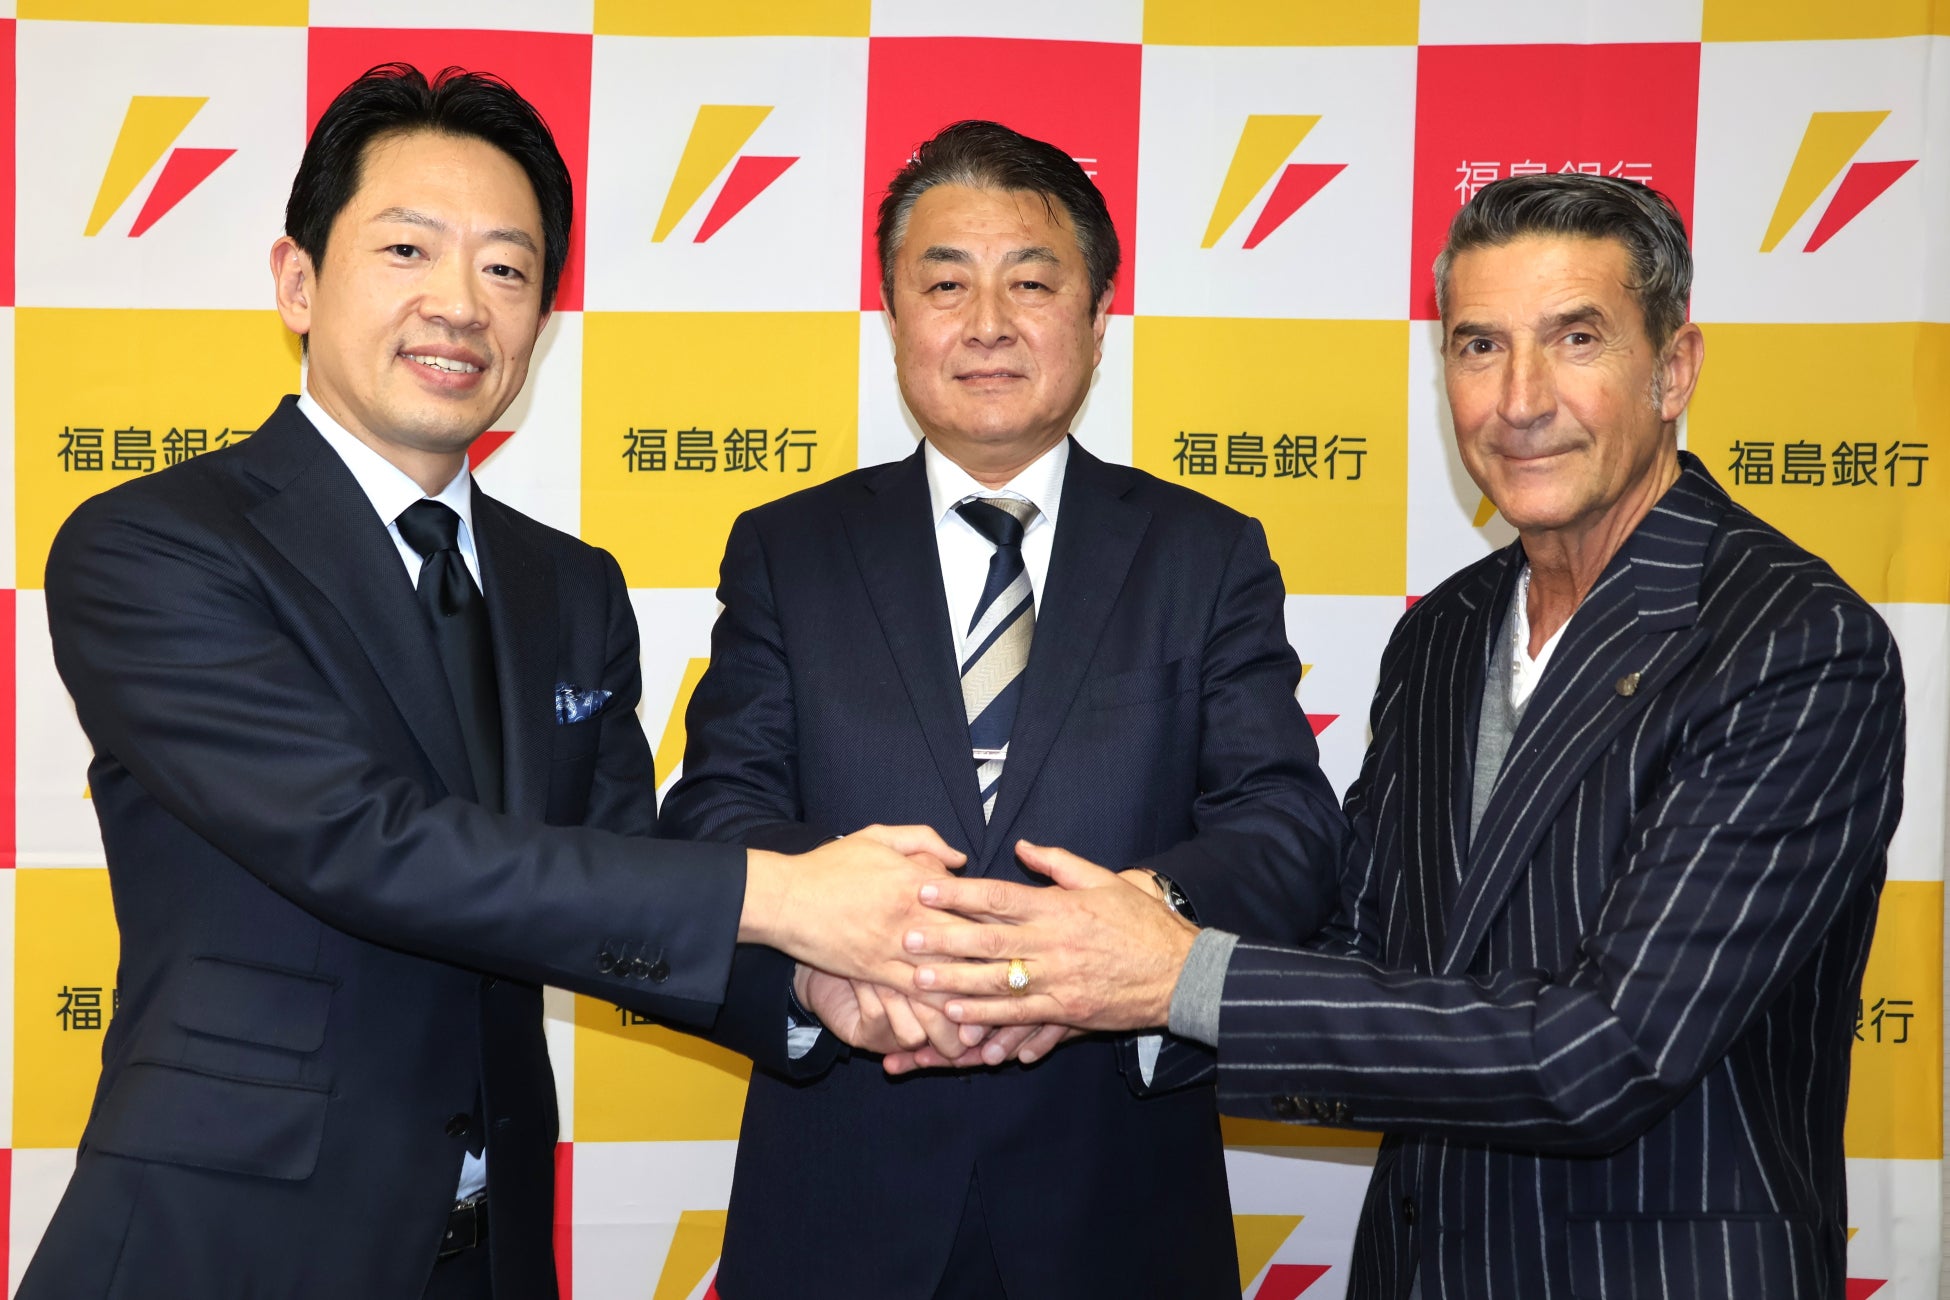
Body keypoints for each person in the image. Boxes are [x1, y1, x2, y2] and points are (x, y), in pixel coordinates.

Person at [22, 64, 968, 1300]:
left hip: (492, 1249)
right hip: (227, 1242)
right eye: (407, 249)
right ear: (298, 282)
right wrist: (782, 894)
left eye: (508, 269)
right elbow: (363, 840)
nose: (460, 304)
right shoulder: (154, 545)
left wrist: (806, 987)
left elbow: (616, 869)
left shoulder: (569, 587)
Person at [904, 173, 1906, 1299]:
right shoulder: (1445, 634)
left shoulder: (1792, 643)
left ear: (1674, 369)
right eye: (1479, 347)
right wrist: (1069, 982)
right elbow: (1361, 949)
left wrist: (1174, 976)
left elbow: (1610, 1051)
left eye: (1576, 339)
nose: (1520, 398)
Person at [658, 119, 1347, 1299]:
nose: (987, 323)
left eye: (1030, 282)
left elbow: (1286, 829)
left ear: (1097, 318)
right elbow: (717, 816)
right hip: (843, 1200)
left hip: (1119, 1198)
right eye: (945, 284)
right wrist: (831, 973)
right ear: (894, 320)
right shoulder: (788, 550)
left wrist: (1133, 931)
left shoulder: (1206, 553)